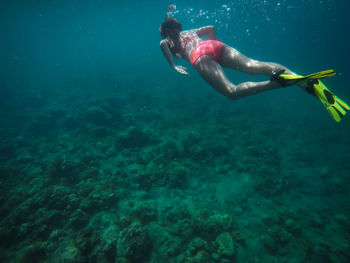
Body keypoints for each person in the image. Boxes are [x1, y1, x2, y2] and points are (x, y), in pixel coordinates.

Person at [159, 17, 349, 121]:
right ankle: (297, 78)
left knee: (231, 91)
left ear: (164, 31)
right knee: (253, 65)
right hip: (214, 46)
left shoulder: (164, 41)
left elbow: (165, 49)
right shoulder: (189, 32)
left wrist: (175, 66)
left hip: (199, 57)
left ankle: (276, 84)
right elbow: (210, 26)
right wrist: (213, 44)